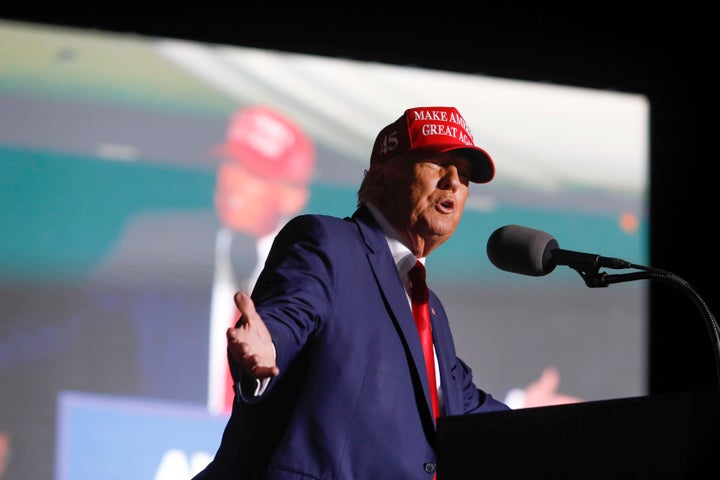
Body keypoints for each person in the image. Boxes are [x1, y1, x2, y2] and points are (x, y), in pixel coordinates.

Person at [192, 106, 567, 479]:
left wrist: (570, 437)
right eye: (437, 164)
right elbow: (290, 313)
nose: (453, 181)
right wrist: (268, 346)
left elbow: (465, 408)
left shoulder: (428, 308)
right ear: (383, 176)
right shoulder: (328, 244)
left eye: (464, 175)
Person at [207, 106, 315, 414]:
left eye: (253, 171)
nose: (230, 179)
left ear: (292, 195)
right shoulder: (158, 244)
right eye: (229, 163)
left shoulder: (314, 277)